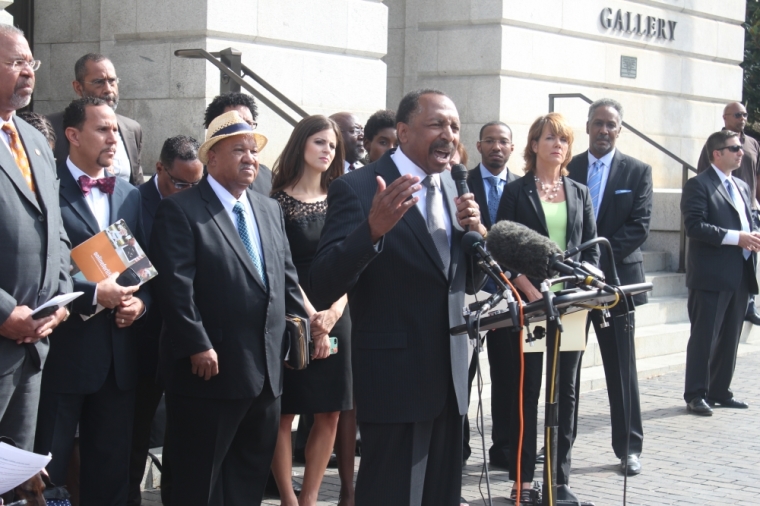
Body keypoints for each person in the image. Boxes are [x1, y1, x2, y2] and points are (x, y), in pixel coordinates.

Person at [310, 89, 486, 506]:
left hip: (451, 376)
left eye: (455, 127)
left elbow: (470, 282)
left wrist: (477, 234)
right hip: (395, 378)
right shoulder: (357, 188)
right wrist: (371, 230)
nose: (449, 135)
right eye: (437, 124)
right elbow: (322, 283)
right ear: (403, 131)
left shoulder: (457, 185)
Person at [150, 110, 307, 505]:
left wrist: (309, 321)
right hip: (208, 373)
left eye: (253, 151)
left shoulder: (268, 209)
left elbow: (285, 278)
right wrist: (196, 344)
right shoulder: (182, 210)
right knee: (196, 481)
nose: (250, 158)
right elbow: (174, 287)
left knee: (246, 479)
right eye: (238, 149)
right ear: (212, 158)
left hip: (265, 375)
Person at [34, 96, 150, 505]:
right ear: (72, 135)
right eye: (102, 129)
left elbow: (141, 269)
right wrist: (92, 294)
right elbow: (42, 271)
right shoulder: (44, 189)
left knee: (112, 471)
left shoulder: (129, 196)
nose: (113, 138)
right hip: (63, 357)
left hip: (118, 361)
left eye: (115, 130)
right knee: (48, 469)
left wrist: (140, 304)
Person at [495, 112, 598, 504]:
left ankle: (558, 478)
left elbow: (588, 248)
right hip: (531, 303)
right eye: (550, 137)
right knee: (529, 391)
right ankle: (522, 480)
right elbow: (501, 245)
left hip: (571, 304)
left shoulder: (580, 192)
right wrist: (525, 288)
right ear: (534, 144)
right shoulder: (516, 192)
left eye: (564, 140)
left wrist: (586, 284)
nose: (558, 145)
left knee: (566, 392)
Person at [269, 115, 352, 506]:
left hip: (339, 312)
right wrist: (312, 317)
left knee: (330, 412)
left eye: (332, 145)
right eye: (320, 142)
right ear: (301, 144)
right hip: (292, 313)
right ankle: (288, 499)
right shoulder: (274, 201)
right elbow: (281, 265)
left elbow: (355, 260)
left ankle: (311, 498)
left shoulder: (344, 195)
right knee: (285, 414)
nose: (327, 150)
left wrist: (332, 313)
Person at [567, 98, 652, 476]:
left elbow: (639, 227)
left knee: (621, 368)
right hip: (571, 284)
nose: (604, 130)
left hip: (618, 285)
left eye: (611, 125)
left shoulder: (638, 172)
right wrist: (579, 266)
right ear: (587, 127)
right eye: (598, 123)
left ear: (620, 130)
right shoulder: (569, 167)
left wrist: (596, 262)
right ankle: (558, 446)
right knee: (565, 367)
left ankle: (629, 448)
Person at [0, 24, 71, 452]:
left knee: (14, 479)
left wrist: (59, 302)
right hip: (5, 329)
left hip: (32, 348)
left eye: (31, 62)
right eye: (15, 63)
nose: (28, 72)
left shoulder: (33, 138)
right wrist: (5, 312)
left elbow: (55, 229)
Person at [127, 135, 203, 506]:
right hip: (143, 335)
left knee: (184, 432)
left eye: (196, 183)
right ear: (160, 169)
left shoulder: (201, 205)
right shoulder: (133, 202)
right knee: (137, 431)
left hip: (187, 337)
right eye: (181, 183)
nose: (188, 190)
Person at [682, 130, 759, 416]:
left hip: (740, 271)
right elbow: (695, 227)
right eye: (734, 148)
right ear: (717, 153)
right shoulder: (698, 185)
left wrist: (752, 235)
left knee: (730, 336)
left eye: (740, 147)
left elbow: (746, 220)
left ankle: (719, 391)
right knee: (705, 336)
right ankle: (696, 393)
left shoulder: (740, 185)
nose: (741, 152)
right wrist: (736, 238)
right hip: (711, 275)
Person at [463, 121, 518, 469]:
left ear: (513, 148)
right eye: (490, 141)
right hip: (468, 293)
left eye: (504, 142)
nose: (497, 147)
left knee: (508, 376)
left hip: (510, 295)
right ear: (479, 146)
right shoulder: (460, 183)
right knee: (463, 376)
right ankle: (458, 448)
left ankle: (506, 449)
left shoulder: (522, 188)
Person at [697, 102, 760, 326]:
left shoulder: (752, 143)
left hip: (749, 206)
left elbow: (758, 176)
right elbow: (703, 175)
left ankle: (748, 304)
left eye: (745, 114)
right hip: (722, 213)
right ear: (725, 118)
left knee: (750, 257)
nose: (742, 118)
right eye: (737, 114)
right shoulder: (716, 143)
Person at [47, 54, 144, 185]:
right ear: (78, 87)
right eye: (99, 82)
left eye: (112, 81)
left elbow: (138, 186)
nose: (108, 89)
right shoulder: (51, 127)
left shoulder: (132, 129)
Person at [204, 92, 274, 196]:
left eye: (249, 123)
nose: (244, 129)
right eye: (236, 122)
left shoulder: (268, 177)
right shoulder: (196, 178)